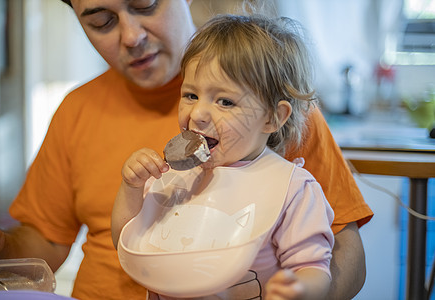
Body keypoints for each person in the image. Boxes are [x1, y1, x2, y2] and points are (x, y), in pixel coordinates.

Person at [0, 0, 373, 299]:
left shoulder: (275, 107)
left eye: (145, 5)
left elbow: (337, 251)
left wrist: (302, 290)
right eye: (101, 21)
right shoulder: (83, 113)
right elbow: (52, 242)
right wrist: (0, 245)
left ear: (274, 118)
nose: (131, 36)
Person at [111, 13, 335, 299]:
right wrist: (130, 187)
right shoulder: (168, 177)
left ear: (273, 118)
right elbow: (126, 242)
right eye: (190, 95)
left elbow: (313, 266)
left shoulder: (292, 189)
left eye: (225, 101)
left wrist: (302, 289)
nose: (198, 114)